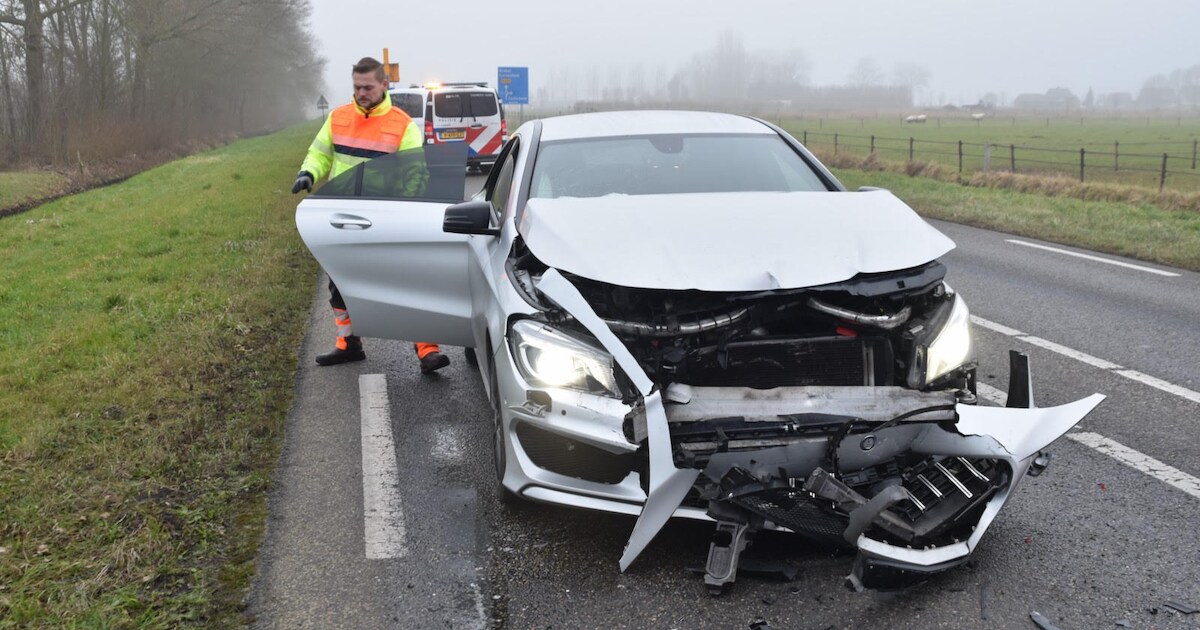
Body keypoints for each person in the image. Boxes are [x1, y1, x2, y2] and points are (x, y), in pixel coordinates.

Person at [292, 57, 450, 374]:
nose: (361, 92)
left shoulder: (401, 124)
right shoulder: (338, 118)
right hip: (344, 216)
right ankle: (348, 345)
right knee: (340, 283)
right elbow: (320, 152)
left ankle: (427, 350)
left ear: (383, 85)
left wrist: (406, 212)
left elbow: (415, 173)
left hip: (385, 218)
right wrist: (307, 173)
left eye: (367, 87)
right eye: (356, 87)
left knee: (408, 283)